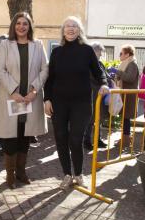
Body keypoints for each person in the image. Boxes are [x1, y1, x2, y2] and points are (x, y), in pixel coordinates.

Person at [44, 16, 109, 190]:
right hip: (59, 103)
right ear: (63, 31)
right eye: (67, 26)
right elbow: (50, 79)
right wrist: (47, 99)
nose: (71, 29)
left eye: (74, 26)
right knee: (61, 138)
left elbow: (98, 72)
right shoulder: (56, 52)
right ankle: (66, 174)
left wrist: (103, 84)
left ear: (79, 30)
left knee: (75, 139)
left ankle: (79, 174)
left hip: (81, 103)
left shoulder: (87, 50)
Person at [0, 12, 48, 189]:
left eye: (25, 23)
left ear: (29, 26)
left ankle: (21, 172)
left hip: (29, 99)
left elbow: (44, 70)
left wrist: (34, 90)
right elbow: (0, 70)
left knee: (25, 135)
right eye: (18, 23)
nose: (21, 27)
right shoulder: (5, 45)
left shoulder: (38, 45)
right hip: (12, 98)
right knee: (11, 136)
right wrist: (13, 91)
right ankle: (10, 175)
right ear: (13, 26)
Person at [83, 42, 110, 150]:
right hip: (91, 94)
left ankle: (97, 139)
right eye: (99, 53)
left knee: (98, 118)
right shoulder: (87, 63)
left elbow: (105, 76)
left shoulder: (100, 63)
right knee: (90, 119)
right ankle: (87, 141)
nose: (101, 55)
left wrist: (109, 78)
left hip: (100, 95)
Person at [114, 45, 139, 147]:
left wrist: (117, 72)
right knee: (125, 117)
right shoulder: (126, 63)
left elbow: (130, 78)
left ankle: (126, 140)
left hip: (129, 96)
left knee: (126, 117)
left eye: (121, 53)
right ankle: (125, 139)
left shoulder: (132, 64)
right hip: (125, 94)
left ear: (127, 54)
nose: (120, 55)